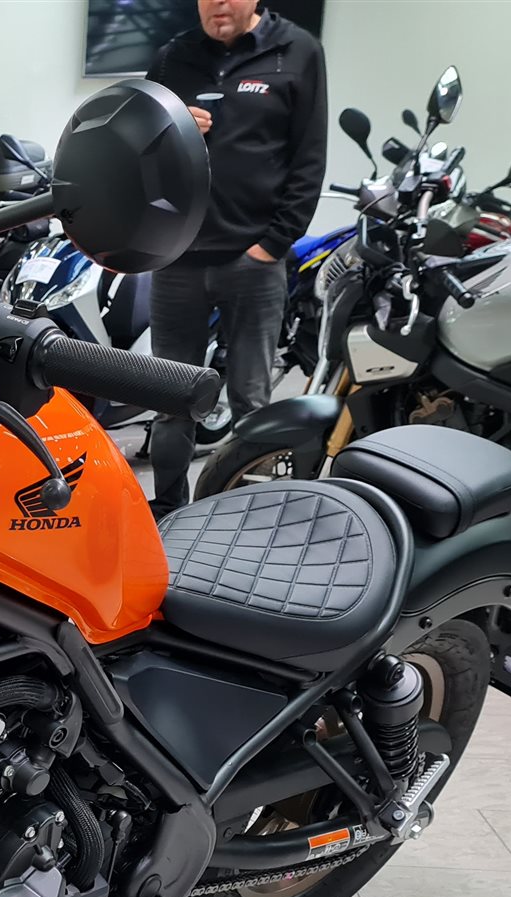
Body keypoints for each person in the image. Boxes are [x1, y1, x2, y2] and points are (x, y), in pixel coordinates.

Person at [145, 0, 327, 513]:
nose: (217, 3)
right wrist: (171, 128)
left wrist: (273, 244)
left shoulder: (297, 51)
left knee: (251, 402)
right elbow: (137, 145)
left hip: (253, 262)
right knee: (169, 399)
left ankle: (247, 514)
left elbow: (308, 157)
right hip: (176, 259)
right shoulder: (172, 57)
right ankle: (168, 509)